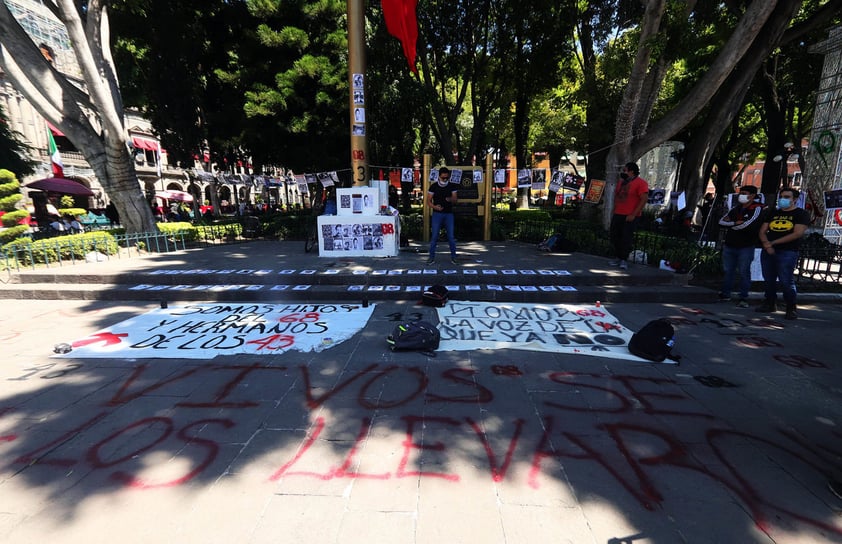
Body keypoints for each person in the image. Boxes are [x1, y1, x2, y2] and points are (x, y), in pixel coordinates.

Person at [756, 187, 810, 319]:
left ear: (795, 199)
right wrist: (766, 244)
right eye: (781, 197)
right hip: (768, 250)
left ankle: (791, 307)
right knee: (768, 279)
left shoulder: (801, 214)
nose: (783, 199)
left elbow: (797, 233)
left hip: (788, 251)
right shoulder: (773, 213)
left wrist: (773, 243)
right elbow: (762, 231)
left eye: (787, 197)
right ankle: (769, 303)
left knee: (786, 280)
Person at [717, 186, 765, 307]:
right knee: (728, 271)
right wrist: (733, 223)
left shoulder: (757, 209)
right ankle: (725, 294)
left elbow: (748, 225)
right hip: (730, 244)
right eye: (740, 193)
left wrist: (731, 226)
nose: (741, 195)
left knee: (744, 271)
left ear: (753, 195)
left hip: (746, 246)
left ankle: (743, 297)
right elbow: (721, 222)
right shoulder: (735, 209)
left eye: (744, 193)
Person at [609, 162, 648, 270]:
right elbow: (617, 197)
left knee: (626, 237)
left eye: (625, 170)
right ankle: (618, 256)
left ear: (631, 171)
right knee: (614, 235)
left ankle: (624, 259)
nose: (623, 172)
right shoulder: (621, 182)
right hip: (618, 213)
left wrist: (633, 214)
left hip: (630, 215)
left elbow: (644, 199)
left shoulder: (641, 183)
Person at [426, 166, 458, 265]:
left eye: (446, 178)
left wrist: (450, 199)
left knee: (451, 237)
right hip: (437, 214)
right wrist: (435, 207)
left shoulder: (452, 186)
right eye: (443, 178)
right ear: (439, 176)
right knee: (435, 236)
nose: (445, 179)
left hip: (449, 214)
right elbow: (428, 201)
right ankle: (431, 257)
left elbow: (455, 200)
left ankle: (454, 257)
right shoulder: (434, 186)